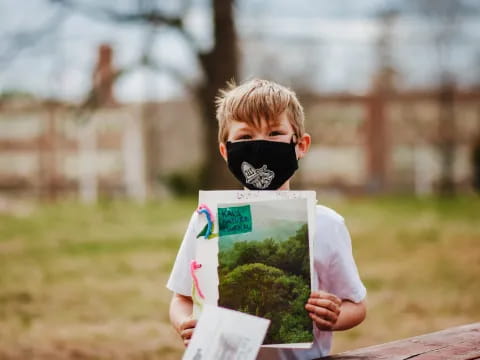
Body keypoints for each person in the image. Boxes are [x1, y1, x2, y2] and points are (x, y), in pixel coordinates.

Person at [167, 79, 367, 359]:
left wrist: (335, 315)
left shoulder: (327, 224)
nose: (260, 146)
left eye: (275, 133)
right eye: (246, 138)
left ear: (301, 145)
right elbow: (181, 299)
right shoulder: (209, 220)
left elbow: (357, 306)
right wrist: (185, 323)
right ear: (226, 150)